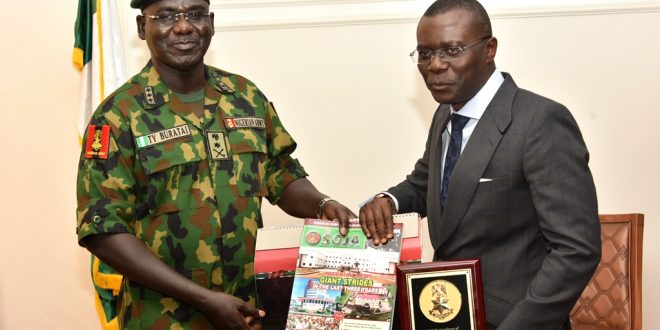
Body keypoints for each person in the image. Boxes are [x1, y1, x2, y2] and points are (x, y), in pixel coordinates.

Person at [75, 0, 355, 328]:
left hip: (249, 313)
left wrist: (321, 204)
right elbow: (103, 230)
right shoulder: (117, 115)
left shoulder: (245, 96)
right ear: (142, 27)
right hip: (162, 319)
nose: (183, 26)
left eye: (194, 14)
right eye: (165, 16)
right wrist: (205, 300)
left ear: (211, 22)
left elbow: (280, 172)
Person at [358, 0, 601, 329]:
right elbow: (428, 182)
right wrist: (389, 200)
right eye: (425, 53)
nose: (436, 65)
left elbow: (576, 251)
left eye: (452, 50)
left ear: (489, 49)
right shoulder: (446, 114)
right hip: (447, 314)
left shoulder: (540, 121)